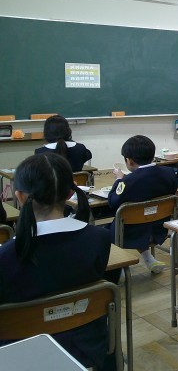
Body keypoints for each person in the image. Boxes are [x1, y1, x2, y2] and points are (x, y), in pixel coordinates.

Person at [0, 153, 113, 370]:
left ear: (20, 197)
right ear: (70, 193)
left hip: (22, 355)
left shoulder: (6, 255)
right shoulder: (100, 238)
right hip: (87, 347)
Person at [108, 135, 177, 274]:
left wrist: (119, 180)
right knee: (140, 218)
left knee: (105, 230)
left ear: (129, 161)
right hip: (159, 229)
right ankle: (149, 259)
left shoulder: (128, 181)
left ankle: (118, 270)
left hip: (129, 234)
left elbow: (113, 201)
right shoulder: (169, 173)